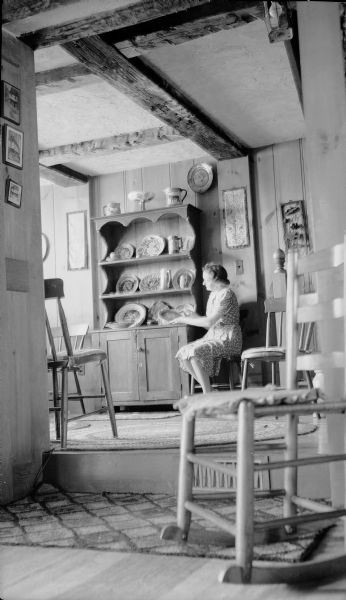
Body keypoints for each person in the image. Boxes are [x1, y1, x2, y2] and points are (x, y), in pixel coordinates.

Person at [172, 262, 242, 394]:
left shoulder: (227, 294)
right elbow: (210, 325)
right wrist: (193, 316)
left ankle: (207, 393)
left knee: (195, 353)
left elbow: (209, 323)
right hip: (214, 337)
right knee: (183, 353)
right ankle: (209, 390)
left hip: (229, 339)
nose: (203, 283)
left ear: (216, 279)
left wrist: (183, 319)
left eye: (206, 280)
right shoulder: (213, 295)